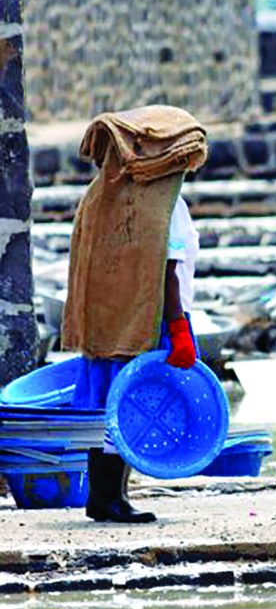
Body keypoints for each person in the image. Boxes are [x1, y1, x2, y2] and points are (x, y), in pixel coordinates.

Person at [62, 105, 207, 524]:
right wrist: (178, 327)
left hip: (106, 321)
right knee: (128, 405)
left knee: (108, 404)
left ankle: (107, 496)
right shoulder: (162, 204)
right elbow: (168, 270)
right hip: (152, 318)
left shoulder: (101, 194)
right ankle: (110, 498)